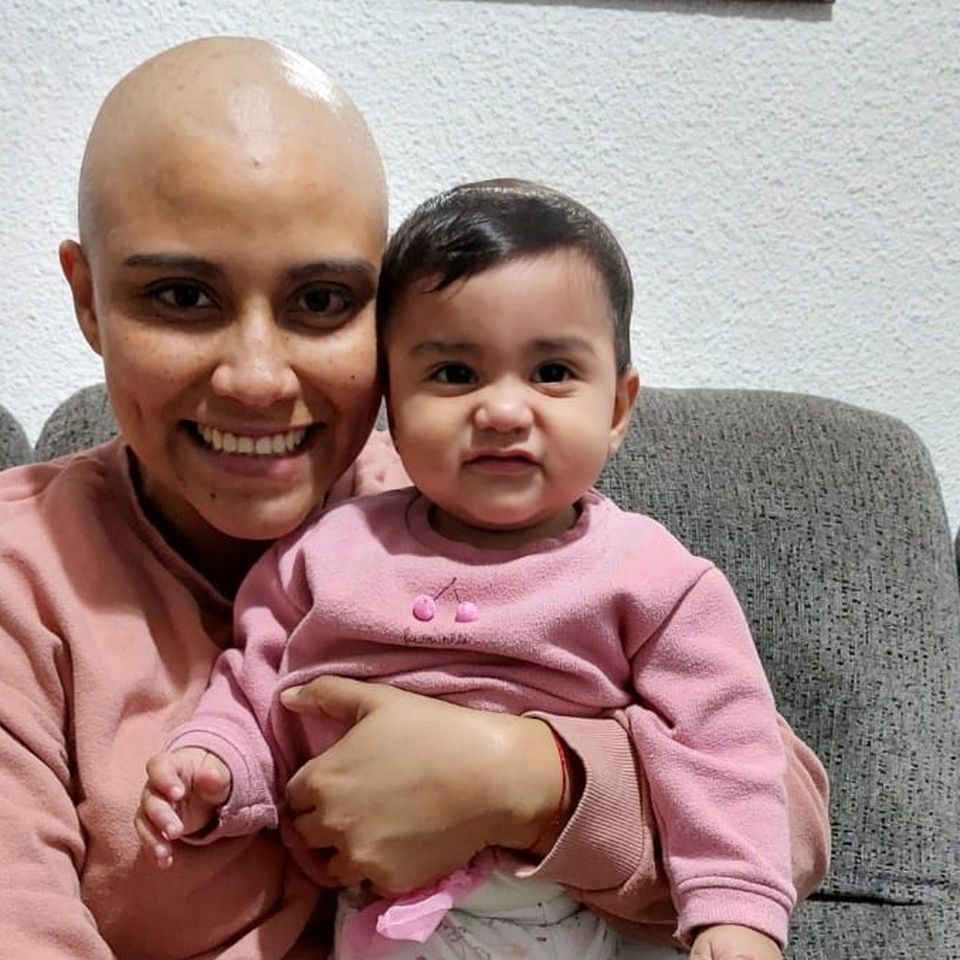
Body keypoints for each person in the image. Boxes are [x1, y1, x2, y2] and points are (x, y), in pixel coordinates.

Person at [0, 37, 829, 960]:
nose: (258, 379)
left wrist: (519, 779)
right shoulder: (22, 578)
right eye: (182, 296)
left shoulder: (458, 501)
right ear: (88, 299)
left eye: (322, 301)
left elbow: (784, 811)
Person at [137, 179, 796, 960]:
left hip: (596, 918)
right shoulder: (329, 552)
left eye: (552, 371)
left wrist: (736, 909)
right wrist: (217, 767)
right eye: (454, 374)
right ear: (391, 402)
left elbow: (725, 749)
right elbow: (255, 689)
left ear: (619, 408)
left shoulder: (654, 578)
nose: (504, 411)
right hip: (388, 923)